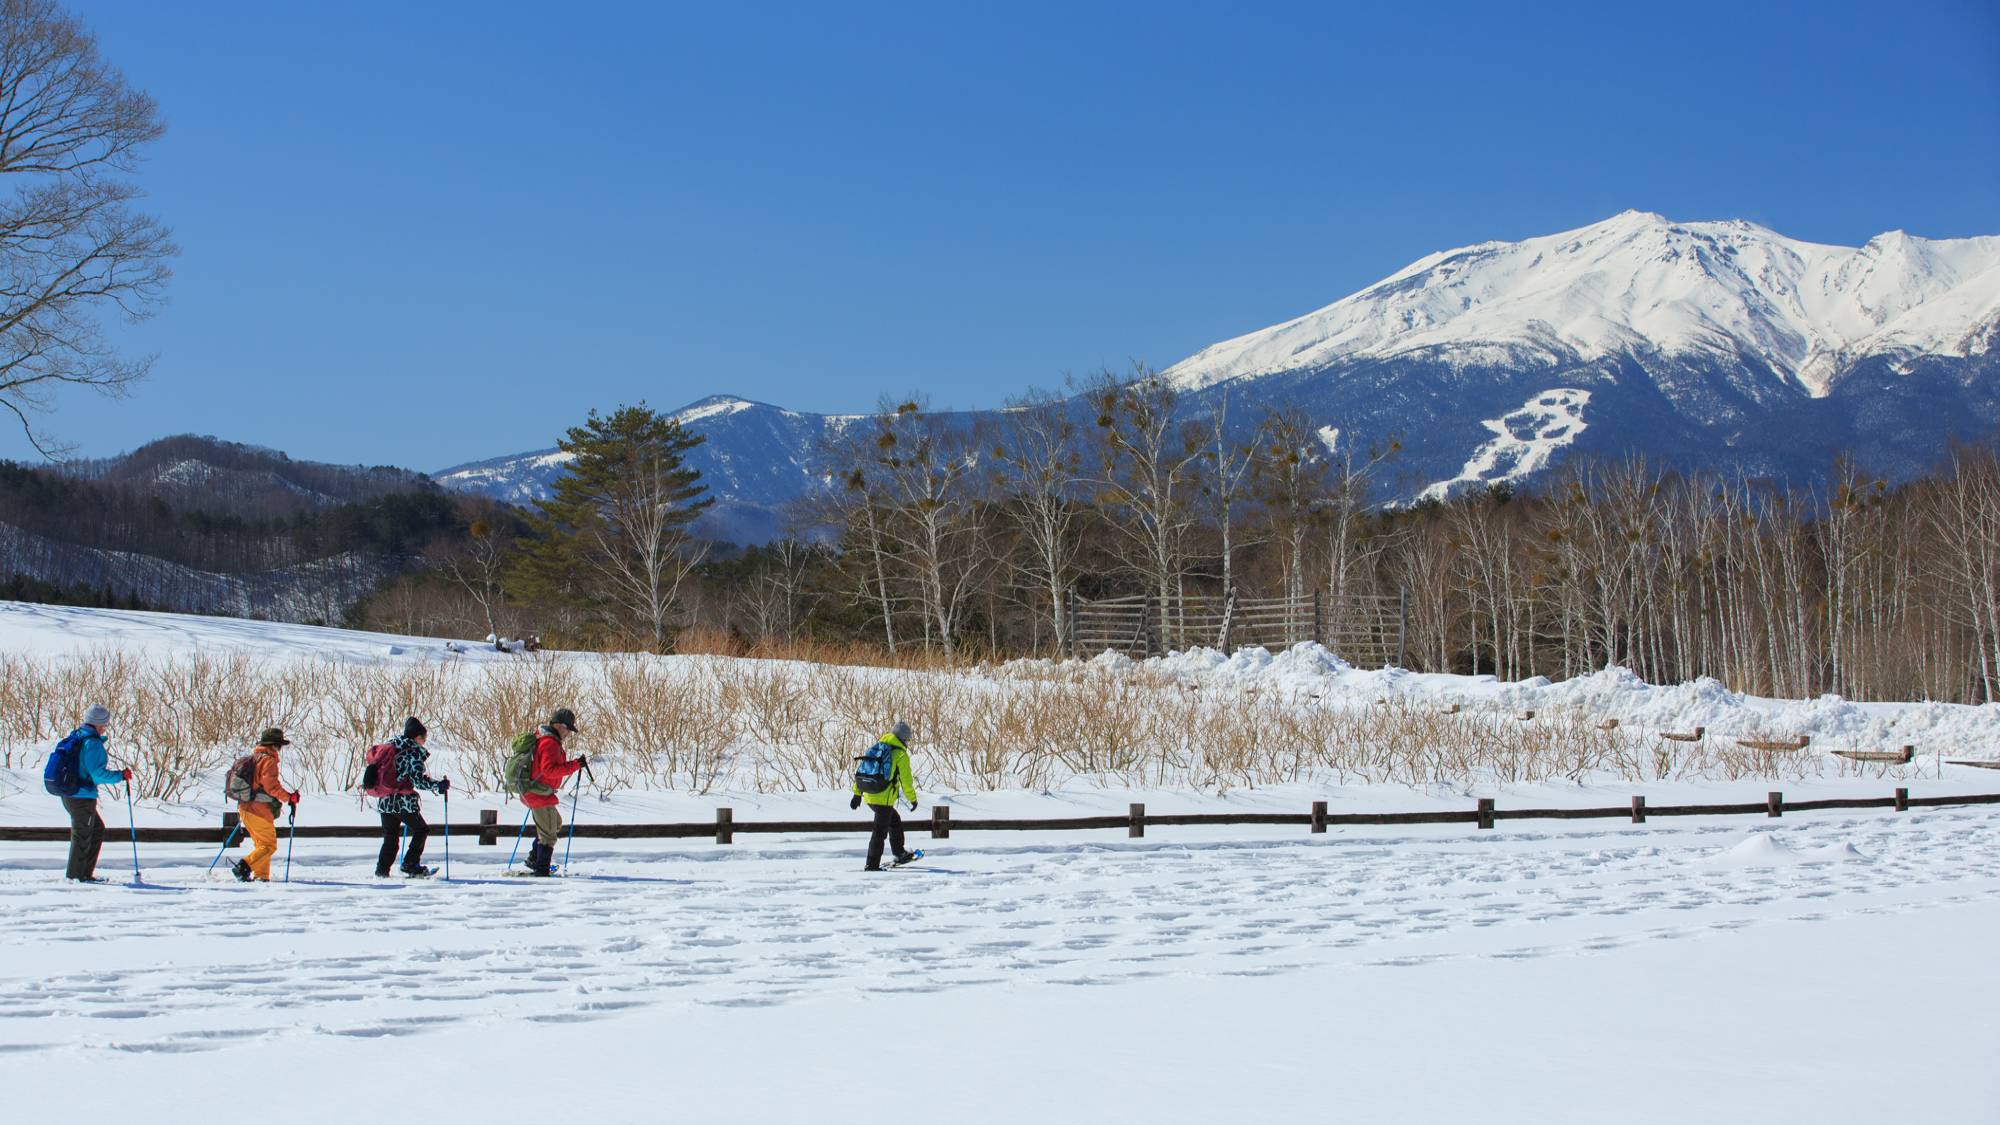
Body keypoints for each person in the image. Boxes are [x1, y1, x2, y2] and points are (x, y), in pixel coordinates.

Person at [55, 704, 132, 883]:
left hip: (70, 794)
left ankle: (83, 874)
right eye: (105, 723)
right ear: (99, 723)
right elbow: (97, 774)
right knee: (82, 835)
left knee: (96, 829)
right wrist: (120, 775)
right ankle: (76, 876)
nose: (106, 726)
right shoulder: (92, 743)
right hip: (82, 796)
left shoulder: (77, 736)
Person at [375, 717, 450, 879]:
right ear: (416, 737)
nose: (424, 741)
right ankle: (410, 865)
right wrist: (439, 785)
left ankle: (381, 871)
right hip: (403, 802)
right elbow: (419, 780)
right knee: (421, 830)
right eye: (423, 738)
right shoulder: (412, 752)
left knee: (390, 837)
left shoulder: (391, 746)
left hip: (385, 800)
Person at [521, 708, 586, 877]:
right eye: (568, 729)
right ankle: (541, 870)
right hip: (538, 793)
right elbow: (549, 770)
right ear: (558, 725)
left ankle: (534, 859)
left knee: (555, 823)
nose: (568, 734)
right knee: (549, 835)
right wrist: (574, 765)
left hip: (538, 792)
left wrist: (574, 764)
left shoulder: (546, 739)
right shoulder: (549, 742)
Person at [233, 728, 301, 883]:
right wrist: (289, 798)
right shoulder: (268, 761)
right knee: (269, 846)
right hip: (259, 810)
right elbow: (271, 787)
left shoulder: (254, 758)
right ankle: (243, 867)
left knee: (261, 845)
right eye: (280, 745)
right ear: (275, 745)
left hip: (245, 808)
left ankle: (261, 876)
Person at [849, 720, 919, 871]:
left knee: (894, 821)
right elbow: (906, 782)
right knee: (879, 832)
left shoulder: (877, 747)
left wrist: (857, 794)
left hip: (870, 795)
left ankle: (899, 852)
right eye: (907, 739)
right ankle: (872, 865)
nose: (907, 742)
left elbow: (863, 771)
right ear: (902, 739)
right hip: (884, 798)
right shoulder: (900, 755)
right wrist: (912, 799)